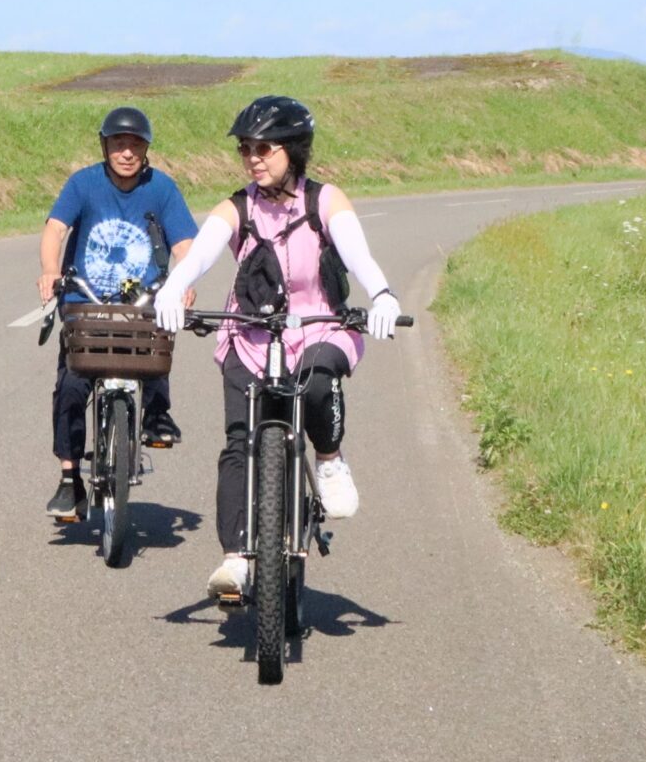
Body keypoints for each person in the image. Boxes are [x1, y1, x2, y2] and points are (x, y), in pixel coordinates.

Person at [148, 95, 403, 601]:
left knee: (319, 382)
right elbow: (200, 254)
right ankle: (235, 557)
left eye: (263, 148)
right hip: (252, 333)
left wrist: (382, 294)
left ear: (293, 151)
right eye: (246, 149)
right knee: (240, 439)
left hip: (320, 326)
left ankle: (328, 459)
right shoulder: (237, 206)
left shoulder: (324, 201)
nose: (252, 158)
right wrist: (172, 290)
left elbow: (358, 253)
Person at [35, 105, 198, 521]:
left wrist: (185, 281)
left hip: (140, 304)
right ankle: (69, 479)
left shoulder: (161, 188)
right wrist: (51, 271)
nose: (127, 153)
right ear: (105, 145)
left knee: (158, 340)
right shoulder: (83, 183)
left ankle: (157, 415)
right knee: (71, 388)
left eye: (136, 145)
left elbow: (185, 246)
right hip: (85, 303)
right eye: (118, 144)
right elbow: (56, 228)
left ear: (146, 150)